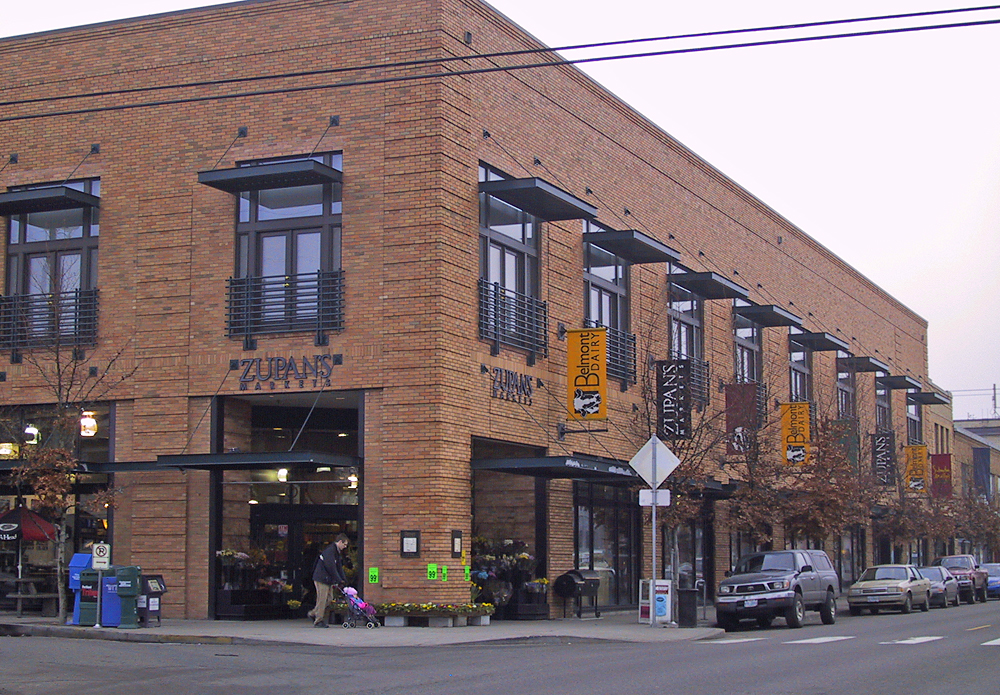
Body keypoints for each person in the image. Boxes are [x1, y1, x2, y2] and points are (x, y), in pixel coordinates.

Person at [308, 534, 348, 628]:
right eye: (345, 544)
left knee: (329, 599)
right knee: (322, 599)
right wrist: (339, 580)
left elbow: (338, 567)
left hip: (327, 579)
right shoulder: (330, 551)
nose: (345, 547)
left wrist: (343, 579)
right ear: (340, 542)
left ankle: (313, 613)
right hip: (322, 578)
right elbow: (331, 567)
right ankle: (318, 620)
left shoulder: (336, 552)